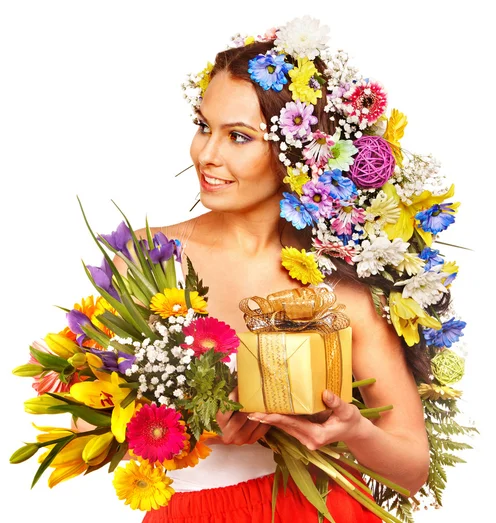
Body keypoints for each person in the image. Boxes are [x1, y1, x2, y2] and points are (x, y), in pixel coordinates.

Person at [107, 16, 447, 523]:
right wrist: (192, 425)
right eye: (204, 126)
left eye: (238, 136)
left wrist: (353, 429)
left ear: (296, 156)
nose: (208, 153)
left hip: (323, 509)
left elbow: (412, 467)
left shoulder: (342, 291)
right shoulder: (149, 258)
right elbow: (94, 405)